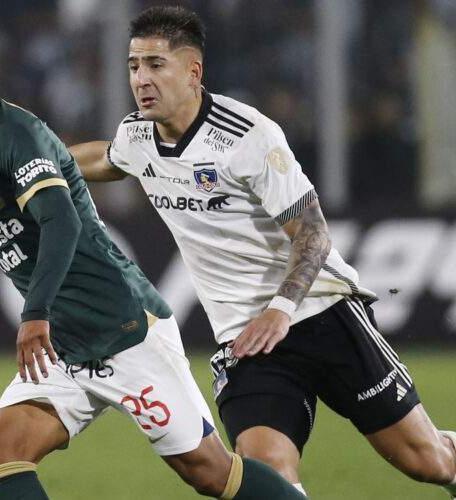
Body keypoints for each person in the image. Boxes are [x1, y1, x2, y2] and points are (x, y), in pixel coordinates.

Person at [69, 5, 456, 498]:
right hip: (246, 341)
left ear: (193, 72)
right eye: (133, 65)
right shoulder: (138, 134)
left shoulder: (246, 136)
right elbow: (108, 157)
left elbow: (313, 233)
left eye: (155, 65)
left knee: (426, 461)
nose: (141, 78)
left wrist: (280, 309)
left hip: (321, 314)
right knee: (266, 475)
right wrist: (33, 163)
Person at [0, 28, 307, 500]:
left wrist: (35, 314)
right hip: (66, 349)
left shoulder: (19, 135)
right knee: (0, 451)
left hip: (126, 330)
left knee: (210, 473)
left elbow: (61, 222)